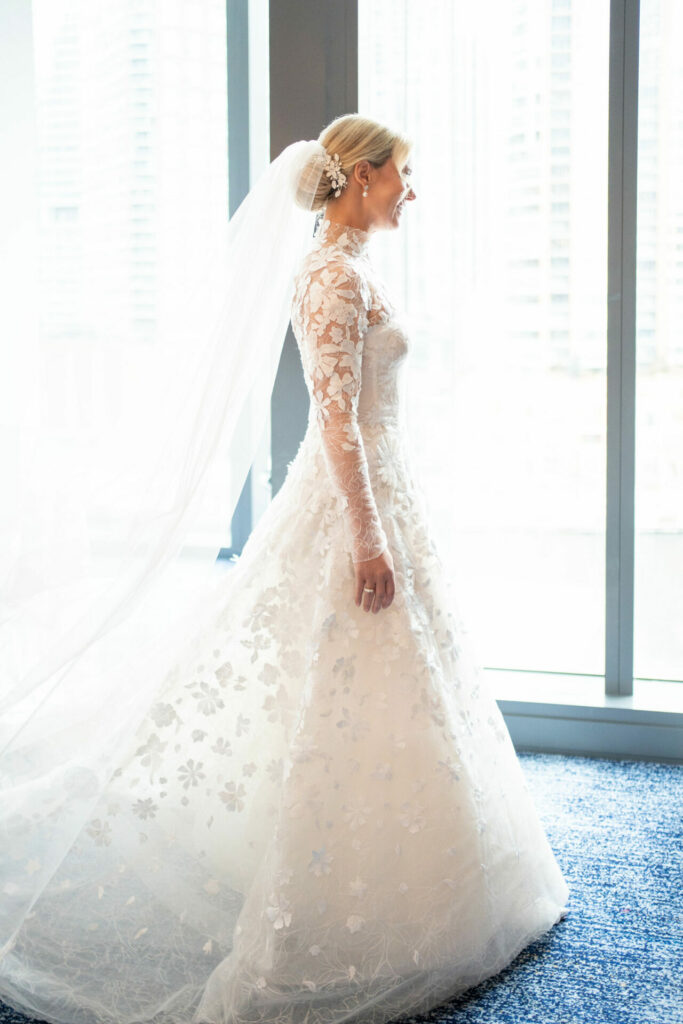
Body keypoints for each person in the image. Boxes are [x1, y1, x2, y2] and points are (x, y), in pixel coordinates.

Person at [0, 114, 568, 1024]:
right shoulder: (330, 276)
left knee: (391, 678)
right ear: (359, 177)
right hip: (352, 501)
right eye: (402, 174)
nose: (411, 191)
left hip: (384, 485)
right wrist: (368, 539)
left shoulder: (354, 268)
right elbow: (336, 421)